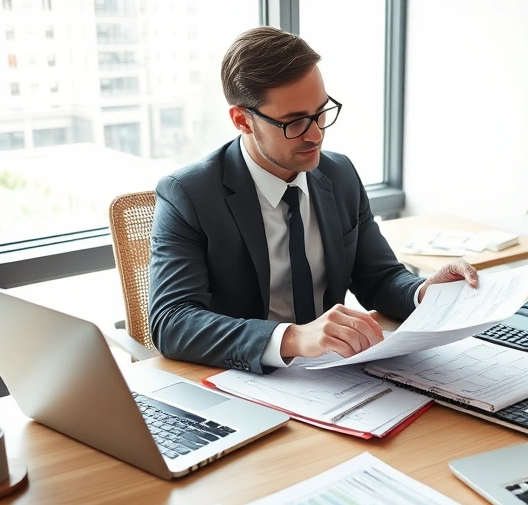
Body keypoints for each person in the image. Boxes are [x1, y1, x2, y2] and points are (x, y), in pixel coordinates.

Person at [148, 26, 478, 374]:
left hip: (337, 375)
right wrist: (293, 338)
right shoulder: (189, 194)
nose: (316, 134)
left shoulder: (340, 175)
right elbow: (172, 322)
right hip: (244, 380)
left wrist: (424, 292)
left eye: (321, 112)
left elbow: (378, 278)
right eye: (295, 123)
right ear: (242, 120)